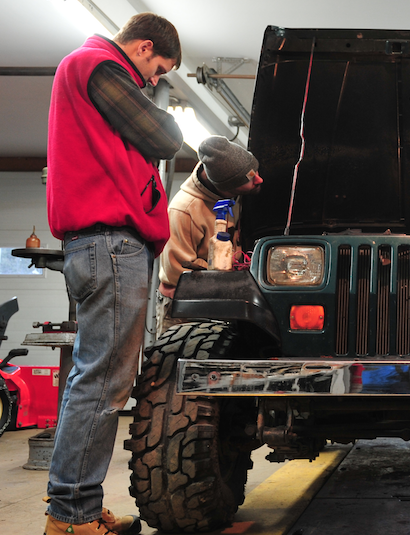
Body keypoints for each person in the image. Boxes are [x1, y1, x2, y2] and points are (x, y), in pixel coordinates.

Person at [45, 12, 183, 535]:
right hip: (111, 244)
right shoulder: (99, 65)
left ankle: (76, 503)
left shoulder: (89, 72)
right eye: (157, 70)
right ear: (143, 47)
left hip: (100, 247)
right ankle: (71, 515)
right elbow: (165, 136)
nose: (152, 83)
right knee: (103, 383)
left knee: (96, 380)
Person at [155, 135, 263, 336]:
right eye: (250, 178)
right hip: (184, 309)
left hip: (221, 300)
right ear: (225, 187)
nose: (259, 179)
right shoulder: (184, 211)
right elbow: (176, 271)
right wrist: (226, 270)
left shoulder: (232, 193)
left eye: (255, 172)